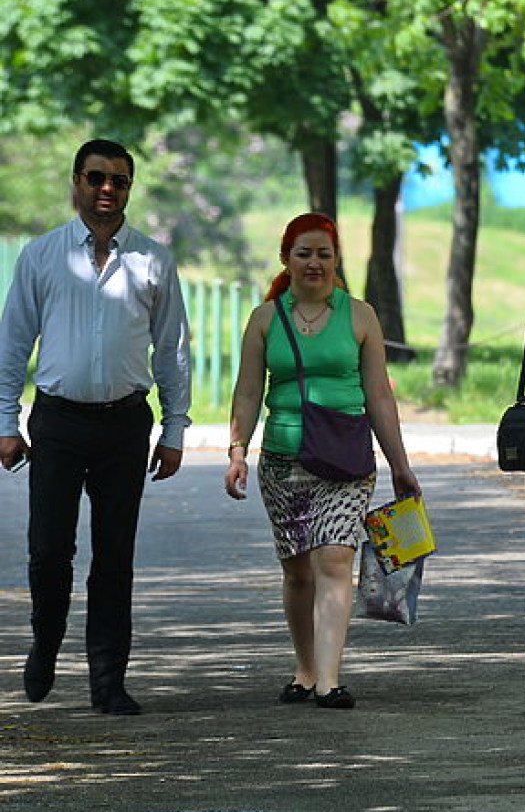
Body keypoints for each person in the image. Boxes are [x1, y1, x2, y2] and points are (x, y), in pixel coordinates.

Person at [0, 139, 192, 715]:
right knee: (49, 552)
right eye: (96, 178)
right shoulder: (41, 256)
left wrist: (175, 429)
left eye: (119, 180)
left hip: (124, 425)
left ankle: (109, 681)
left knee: (115, 558)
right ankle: (46, 644)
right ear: (76, 183)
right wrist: (5, 421)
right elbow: (12, 344)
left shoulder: (152, 260)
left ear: (130, 188)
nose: (107, 189)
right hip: (57, 422)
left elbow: (173, 349)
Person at [223, 213, 420, 709]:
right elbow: (248, 392)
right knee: (298, 572)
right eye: (304, 253)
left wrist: (399, 463)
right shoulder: (266, 319)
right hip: (283, 459)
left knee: (335, 557)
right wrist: (237, 451)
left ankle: (330, 679)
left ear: (336, 259)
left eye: (324, 254)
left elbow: (378, 395)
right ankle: (306, 667)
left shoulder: (360, 316)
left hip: (346, 458)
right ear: (286, 259)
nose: (314, 263)